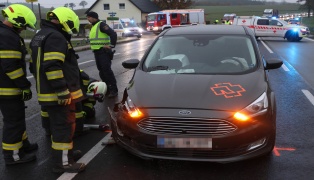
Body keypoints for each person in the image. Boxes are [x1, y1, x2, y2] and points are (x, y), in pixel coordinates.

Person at [29, 7, 86, 173]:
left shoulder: (40, 35)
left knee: (59, 128)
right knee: (64, 128)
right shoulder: (56, 37)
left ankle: (65, 155)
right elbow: (52, 65)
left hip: (47, 91)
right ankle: (63, 163)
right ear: (66, 22)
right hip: (58, 94)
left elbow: (34, 66)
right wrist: (61, 90)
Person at [0, 4, 38, 165]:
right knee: (13, 122)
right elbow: (11, 66)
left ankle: (23, 145)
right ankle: (13, 156)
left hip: (8, 86)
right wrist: (24, 86)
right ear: (17, 20)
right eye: (23, 25)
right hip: (7, 88)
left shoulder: (6, 33)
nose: (23, 29)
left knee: (18, 117)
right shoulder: (7, 36)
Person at [86, 11, 118, 98]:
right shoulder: (93, 26)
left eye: (89, 17)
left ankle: (114, 90)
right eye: (87, 17)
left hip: (104, 52)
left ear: (94, 17)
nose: (87, 18)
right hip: (97, 52)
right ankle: (107, 89)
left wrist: (111, 45)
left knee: (107, 72)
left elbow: (113, 34)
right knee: (102, 72)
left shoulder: (101, 24)